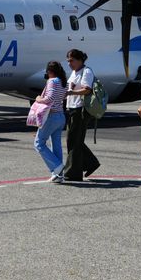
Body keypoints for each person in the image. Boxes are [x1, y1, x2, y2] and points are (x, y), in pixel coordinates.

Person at [59, 49, 100, 182]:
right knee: (73, 140)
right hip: (71, 108)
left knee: (74, 141)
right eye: (68, 61)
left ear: (80, 60)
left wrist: (71, 93)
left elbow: (87, 90)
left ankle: (73, 173)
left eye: (71, 60)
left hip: (80, 110)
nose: (69, 63)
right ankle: (91, 163)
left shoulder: (86, 71)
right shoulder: (74, 72)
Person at [35, 61, 68, 181]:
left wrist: (39, 99)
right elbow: (63, 96)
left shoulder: (52, 81)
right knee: (56, 145)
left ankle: (57, 166)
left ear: (49, 71)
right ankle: (58, 174)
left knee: (39, 143)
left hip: (51, 117)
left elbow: (50, 98)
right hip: (60, 116)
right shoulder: (63, 81)